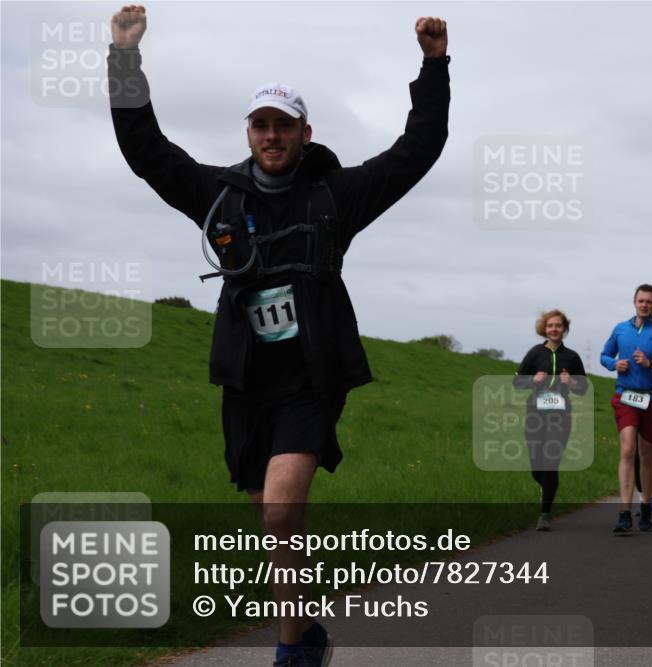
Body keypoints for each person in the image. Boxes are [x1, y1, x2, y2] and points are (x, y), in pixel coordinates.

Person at [108, 6, 449, 666]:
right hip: (247, 382)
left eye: (283, 125)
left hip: (312, 381)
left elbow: (417, 151)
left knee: (280, 509)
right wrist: (125, 56)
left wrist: (433, 67)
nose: (271, 135)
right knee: (273, 519)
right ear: (249, 132)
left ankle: (291, 654)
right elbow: (146, 152)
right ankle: (309, 633)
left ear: (303, 132)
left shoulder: (335, 196)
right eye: (261, 125)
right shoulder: (219, 196)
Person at [600, 284, 652, 533]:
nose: (644, 304)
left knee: (646, 454)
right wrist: (615, 364)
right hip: (626, 397)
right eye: (640, 300)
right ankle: (625, 512)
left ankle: (645, 504)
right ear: (634, 302)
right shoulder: (620, 329)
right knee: (627, 450)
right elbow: (604, 355)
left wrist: (651, 364)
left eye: (649, 301)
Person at [513, 310, 588, 531]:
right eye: (550, 326)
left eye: (558, 325)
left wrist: (572, 383)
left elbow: (583, 388)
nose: (554, 329)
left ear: (565, 329)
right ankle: (546, 489)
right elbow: (516, 383)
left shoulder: (572, 357)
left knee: (550, 462)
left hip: (560, 416)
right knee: (536, 466)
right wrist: (533, 380)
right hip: (535, 414)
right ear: (544, 329)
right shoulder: (535, 353)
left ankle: (545, 514)